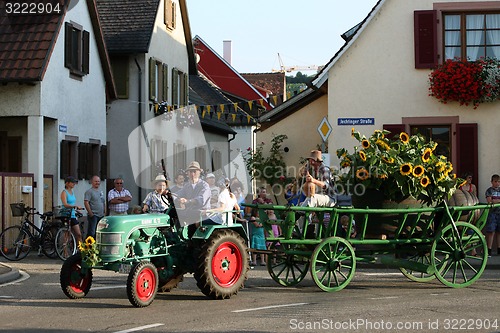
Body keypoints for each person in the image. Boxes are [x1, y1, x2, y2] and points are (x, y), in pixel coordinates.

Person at [173, 161, 211, 236]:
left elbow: (201, 199)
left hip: (202, 213)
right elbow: (178, 194)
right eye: (190, 172)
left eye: (195, 171)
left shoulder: (204, 186)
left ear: (199, 172)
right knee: (173, 215)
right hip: (191, 212)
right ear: (187, 173)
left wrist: (188, 201)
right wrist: (173, 197)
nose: (192, 174)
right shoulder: (187, 186)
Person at [61, 176, 83, 244]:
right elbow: (65, 204)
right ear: (67, 183)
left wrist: (76, 210)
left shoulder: (72, 192)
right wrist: (74, 206)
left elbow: (72, 203)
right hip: (66, 214)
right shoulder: (64, 192)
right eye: (72, 182)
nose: (74, 184)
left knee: (79, 234)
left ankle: (81, 249)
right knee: (67, 234)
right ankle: (65, 252)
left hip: (72, 214)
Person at [485, 174, 500, 257]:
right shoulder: (489, 190)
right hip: (492, 213)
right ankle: (489, 249)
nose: (497, 183)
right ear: (492, 182)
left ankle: (499, 249)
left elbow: (493, 200)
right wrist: (496, 201)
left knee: (499, 232)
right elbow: (489, 201)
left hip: (499, 213)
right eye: (495, 181)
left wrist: (495, 200)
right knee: (491, 231)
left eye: (498, 181)